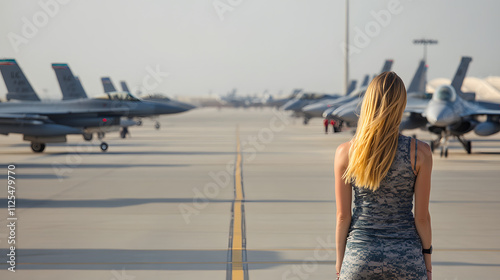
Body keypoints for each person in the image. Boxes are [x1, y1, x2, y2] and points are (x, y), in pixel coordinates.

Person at [334, 72, 433, 280]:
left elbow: (343, 217)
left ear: (368, 103)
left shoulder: (346, 152)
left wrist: (341, 264)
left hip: (360, 256)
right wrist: (427, 262)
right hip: (406, 258)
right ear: (401, 105)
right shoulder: (420, 152)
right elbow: (422, 218)